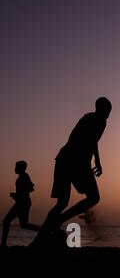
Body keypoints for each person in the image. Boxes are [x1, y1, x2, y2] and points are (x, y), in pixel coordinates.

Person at [32, 97, 112, 246]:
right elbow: (92, 140)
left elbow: (92, 141)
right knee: (92, 197)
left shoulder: (97, 120)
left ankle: (38, 240)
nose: (108, 115)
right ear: (100, 109)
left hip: (65, 160)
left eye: (109, 112)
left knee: (62, 203)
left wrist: (95, 160)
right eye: (107, 111)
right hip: (74, 161)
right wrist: (97, 161)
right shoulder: (96, 120)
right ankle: (58, 221)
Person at [1, 161, 40, 247]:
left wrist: (17, 195)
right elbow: (28, 189)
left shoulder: (24, 176)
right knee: (24, 224)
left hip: (23, 203)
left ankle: (3, 244)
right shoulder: (22, 177)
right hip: (21, 202)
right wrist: (17, 195)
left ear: (21, 168)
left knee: (6, 221)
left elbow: (30, 188)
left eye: (16, 166)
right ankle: (44, 231)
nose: (15, 168)